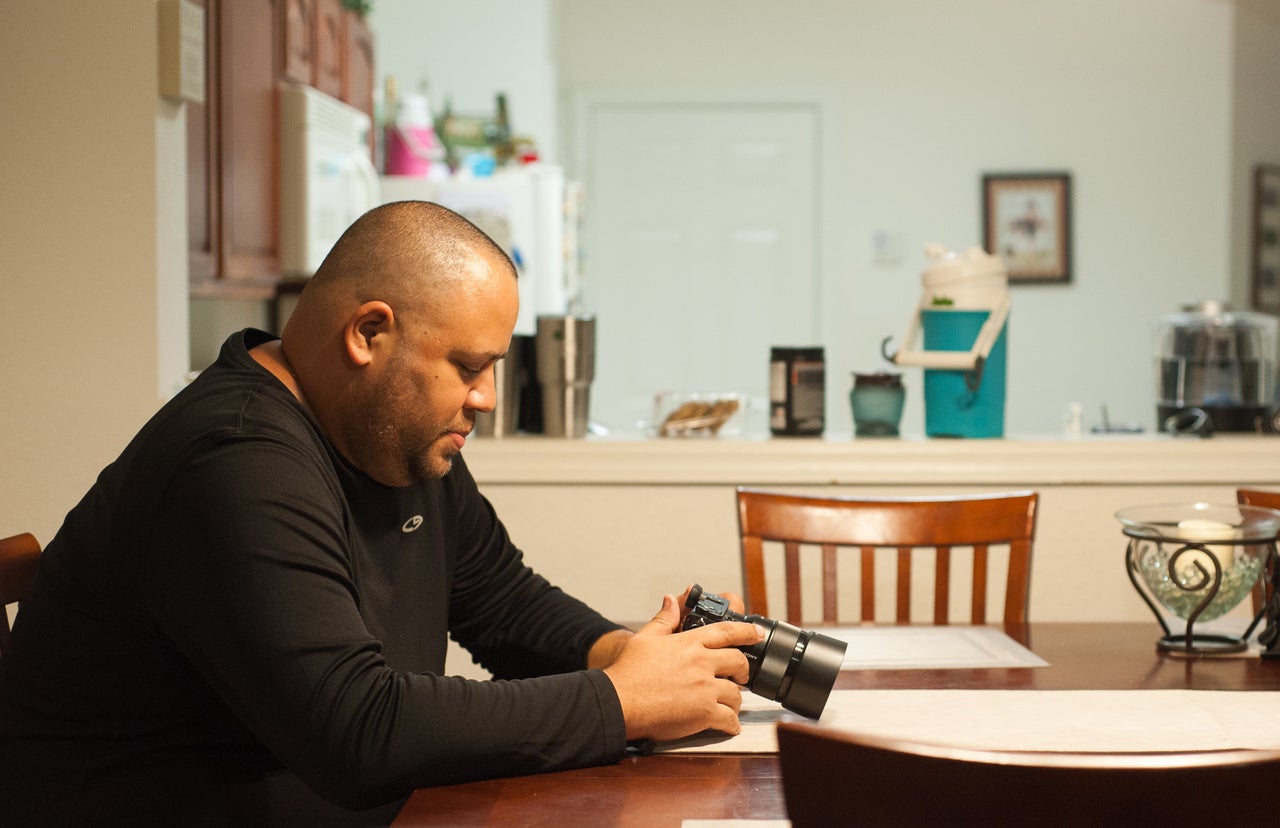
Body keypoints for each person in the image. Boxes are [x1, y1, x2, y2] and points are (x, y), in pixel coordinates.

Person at [0, 201, 761, 824]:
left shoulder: (386, 434)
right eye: (469, 366)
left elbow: (500, 598)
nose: (487, 398)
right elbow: (358, 731)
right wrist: (619, 702)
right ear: (368, 333)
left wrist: (622, 657)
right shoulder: (234, 461)